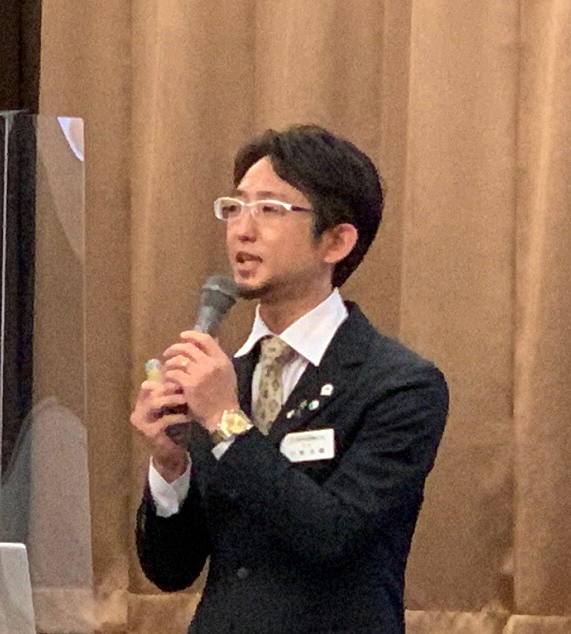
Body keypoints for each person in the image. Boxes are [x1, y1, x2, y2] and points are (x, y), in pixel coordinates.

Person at [131, 125, 449, 633]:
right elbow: (172, 570)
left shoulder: (400, 385)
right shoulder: (228, 378)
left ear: (337, 241)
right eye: (235, 207)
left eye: (270, 209)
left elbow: (332, 534)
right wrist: (171, 467)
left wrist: (226, 422)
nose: (242, 229)